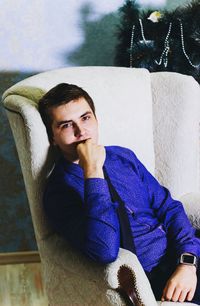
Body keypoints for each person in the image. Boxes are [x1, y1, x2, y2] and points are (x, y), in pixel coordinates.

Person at [38, 83, 200, 304]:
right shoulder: (58, 193)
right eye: (66, 125)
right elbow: (104, 249)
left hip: (182, 257)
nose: (81, 132)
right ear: (52, 138)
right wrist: (92, 172)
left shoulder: (123, 157)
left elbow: (169, 207)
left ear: (96, 119)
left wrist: (187, 263)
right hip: (152, 277)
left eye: (86, 118)